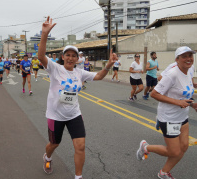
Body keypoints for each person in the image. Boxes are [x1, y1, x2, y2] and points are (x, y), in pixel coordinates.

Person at [38, 16, 117, 179]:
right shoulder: (55, 68)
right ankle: (47, 157)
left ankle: (78, 177)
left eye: (74, 55)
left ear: (77, 59)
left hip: (74, 114)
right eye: (68, 54)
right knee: (54, 144)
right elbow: (41, 56)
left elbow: (99, 76)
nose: (70, 58)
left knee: (80, 146)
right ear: (63, 56)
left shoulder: (80, 72)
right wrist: (44, 34)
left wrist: (108, 65)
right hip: (55, 116)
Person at [136, 46, 197, 179]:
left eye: (190, 55)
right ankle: (146, 147)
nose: (188, 59)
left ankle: (163, 173)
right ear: (177, 59)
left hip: (183, 116)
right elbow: (154, 94)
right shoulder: (172, 74)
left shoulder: (191, 69)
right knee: (174, 151)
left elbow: (187, 90)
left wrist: (192, 104)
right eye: (184, 56)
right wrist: (178, 103)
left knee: (184, 147)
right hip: (169, 118)